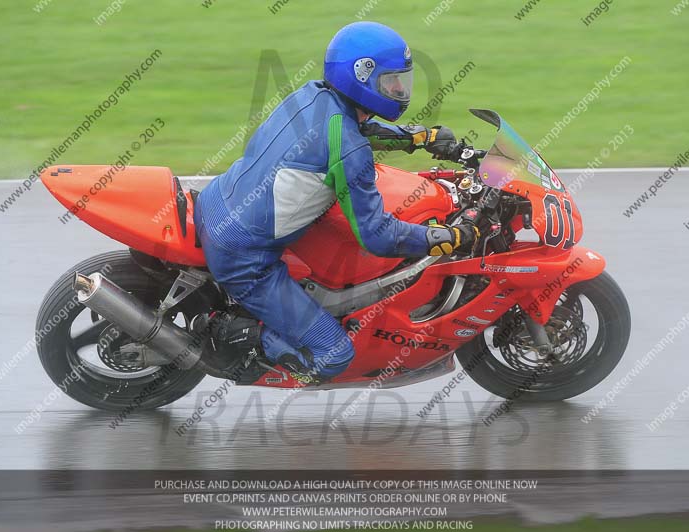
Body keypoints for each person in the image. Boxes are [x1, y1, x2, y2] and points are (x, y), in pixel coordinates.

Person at [193, 21, 479, 384]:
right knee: (334, 355)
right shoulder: (350, 150)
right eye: (391, 81)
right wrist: (444, 238)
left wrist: (417, 138)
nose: (399, 90)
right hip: (243, 258)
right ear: (362, 76)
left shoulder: (311, 95)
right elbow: (377, 236)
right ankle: (226, 335)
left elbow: (350, 130)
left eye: (401, 81)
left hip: (215, 201)